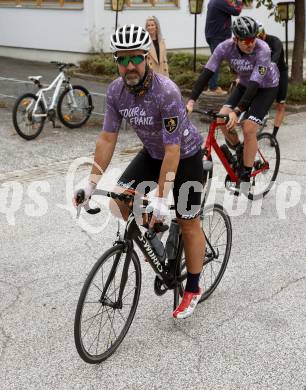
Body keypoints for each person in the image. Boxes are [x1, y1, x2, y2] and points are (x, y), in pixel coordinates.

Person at [74, 24, 205, 319]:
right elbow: (107, 139)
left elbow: (173, 151)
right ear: (116, 62)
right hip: (154, 154)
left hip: (185, 156)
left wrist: (160, 198)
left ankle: (193, 288)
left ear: (147, 58)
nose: (129, 66)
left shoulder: (167, 92)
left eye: (135, 58)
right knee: (119, 200)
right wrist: (91, 182)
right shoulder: (116, 92)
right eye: (122, 59)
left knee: (187, 222)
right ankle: (157, 245)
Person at [187, 16, 280, 194]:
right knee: (222, 119)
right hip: (244, 84)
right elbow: (207, 73)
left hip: (266, 88)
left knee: (249, 127)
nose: (250, 43)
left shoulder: (263, 49)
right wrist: (191, 101)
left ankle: (245, 175)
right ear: (235, 39)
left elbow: (255, 85)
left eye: (253, 38)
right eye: (245, 40)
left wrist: (237, 111)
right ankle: (239, 151)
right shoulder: (225, 47)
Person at [257, 22, 288, 141]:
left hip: (280, 73)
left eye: (260, 37)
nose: (259, 41)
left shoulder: (275, 41)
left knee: (280, 105)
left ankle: (274, 135)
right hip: (265, 72)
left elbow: (274, 58)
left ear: (264, 33)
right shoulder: (256, 44)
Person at [205, 0, 243, 96]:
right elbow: (236, 11)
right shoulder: (220, 1)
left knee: (232, 57)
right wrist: (239, 1)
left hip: (214, 35)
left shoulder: (214, 1)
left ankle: (238, 82)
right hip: (218, 36)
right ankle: (212, 87)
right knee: (217, 61)